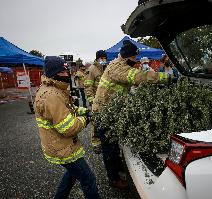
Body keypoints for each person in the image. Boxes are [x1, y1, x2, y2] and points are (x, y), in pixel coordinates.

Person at [92, 40, 176, 189]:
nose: (136, 61)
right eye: (134, 59)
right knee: (109, 148)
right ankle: (114, 179)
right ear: (126, 58)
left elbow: (132, 84)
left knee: (114, 144)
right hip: (104, 112)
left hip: (112, 110)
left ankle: (118, 171)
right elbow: (139, 76)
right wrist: (167, 77)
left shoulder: (121, 64)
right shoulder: (118, 68)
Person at [34, 56, 100, 199]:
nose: (67, 74)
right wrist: (86, 119)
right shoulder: (51, 95)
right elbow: (68, 127)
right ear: (54, 74)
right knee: (88, 178)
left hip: (60, 145)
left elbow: (67, 109)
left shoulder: (55, 88)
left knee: (71, 175)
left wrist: (84, 111)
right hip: (61, 148)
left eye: (67, 71)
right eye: (63, 72)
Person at [84, 50, 108, 148]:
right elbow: (88, 86)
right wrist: (91, 100)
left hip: (105, 99)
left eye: (105, 58)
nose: (104, 60)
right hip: (96, 100)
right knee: (96, 121)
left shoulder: (105, 68)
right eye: (102, 58)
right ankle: (96, 142)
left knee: (104, 120)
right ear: (97, 58)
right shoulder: (92, 69)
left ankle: (104, 138)